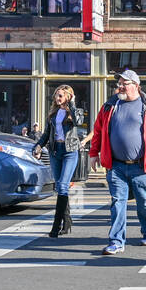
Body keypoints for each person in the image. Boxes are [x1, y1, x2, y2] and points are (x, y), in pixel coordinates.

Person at [88, 69, 146, 255]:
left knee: (144, 202)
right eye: (120, 83)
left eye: (125, 83)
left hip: (141, 165)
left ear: (136, 86)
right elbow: (98, 130)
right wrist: (94, 152)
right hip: (116, 165)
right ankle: (116, 241)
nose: (121, 86)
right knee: (118, 202)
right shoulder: (110, 105)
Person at [33, 85, 91, 238]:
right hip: (55, 151)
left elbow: (78, 122)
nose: (57, 99)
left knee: (64, 185)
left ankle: (55, 226)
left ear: (68, 97)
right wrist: (38, 146)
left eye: (61, 96)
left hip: (70, 152)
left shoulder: (74, 112)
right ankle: (67, 221)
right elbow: (47, 133)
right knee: (59, 187)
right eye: (56, 96)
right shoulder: (53, 113)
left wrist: (71, 104)